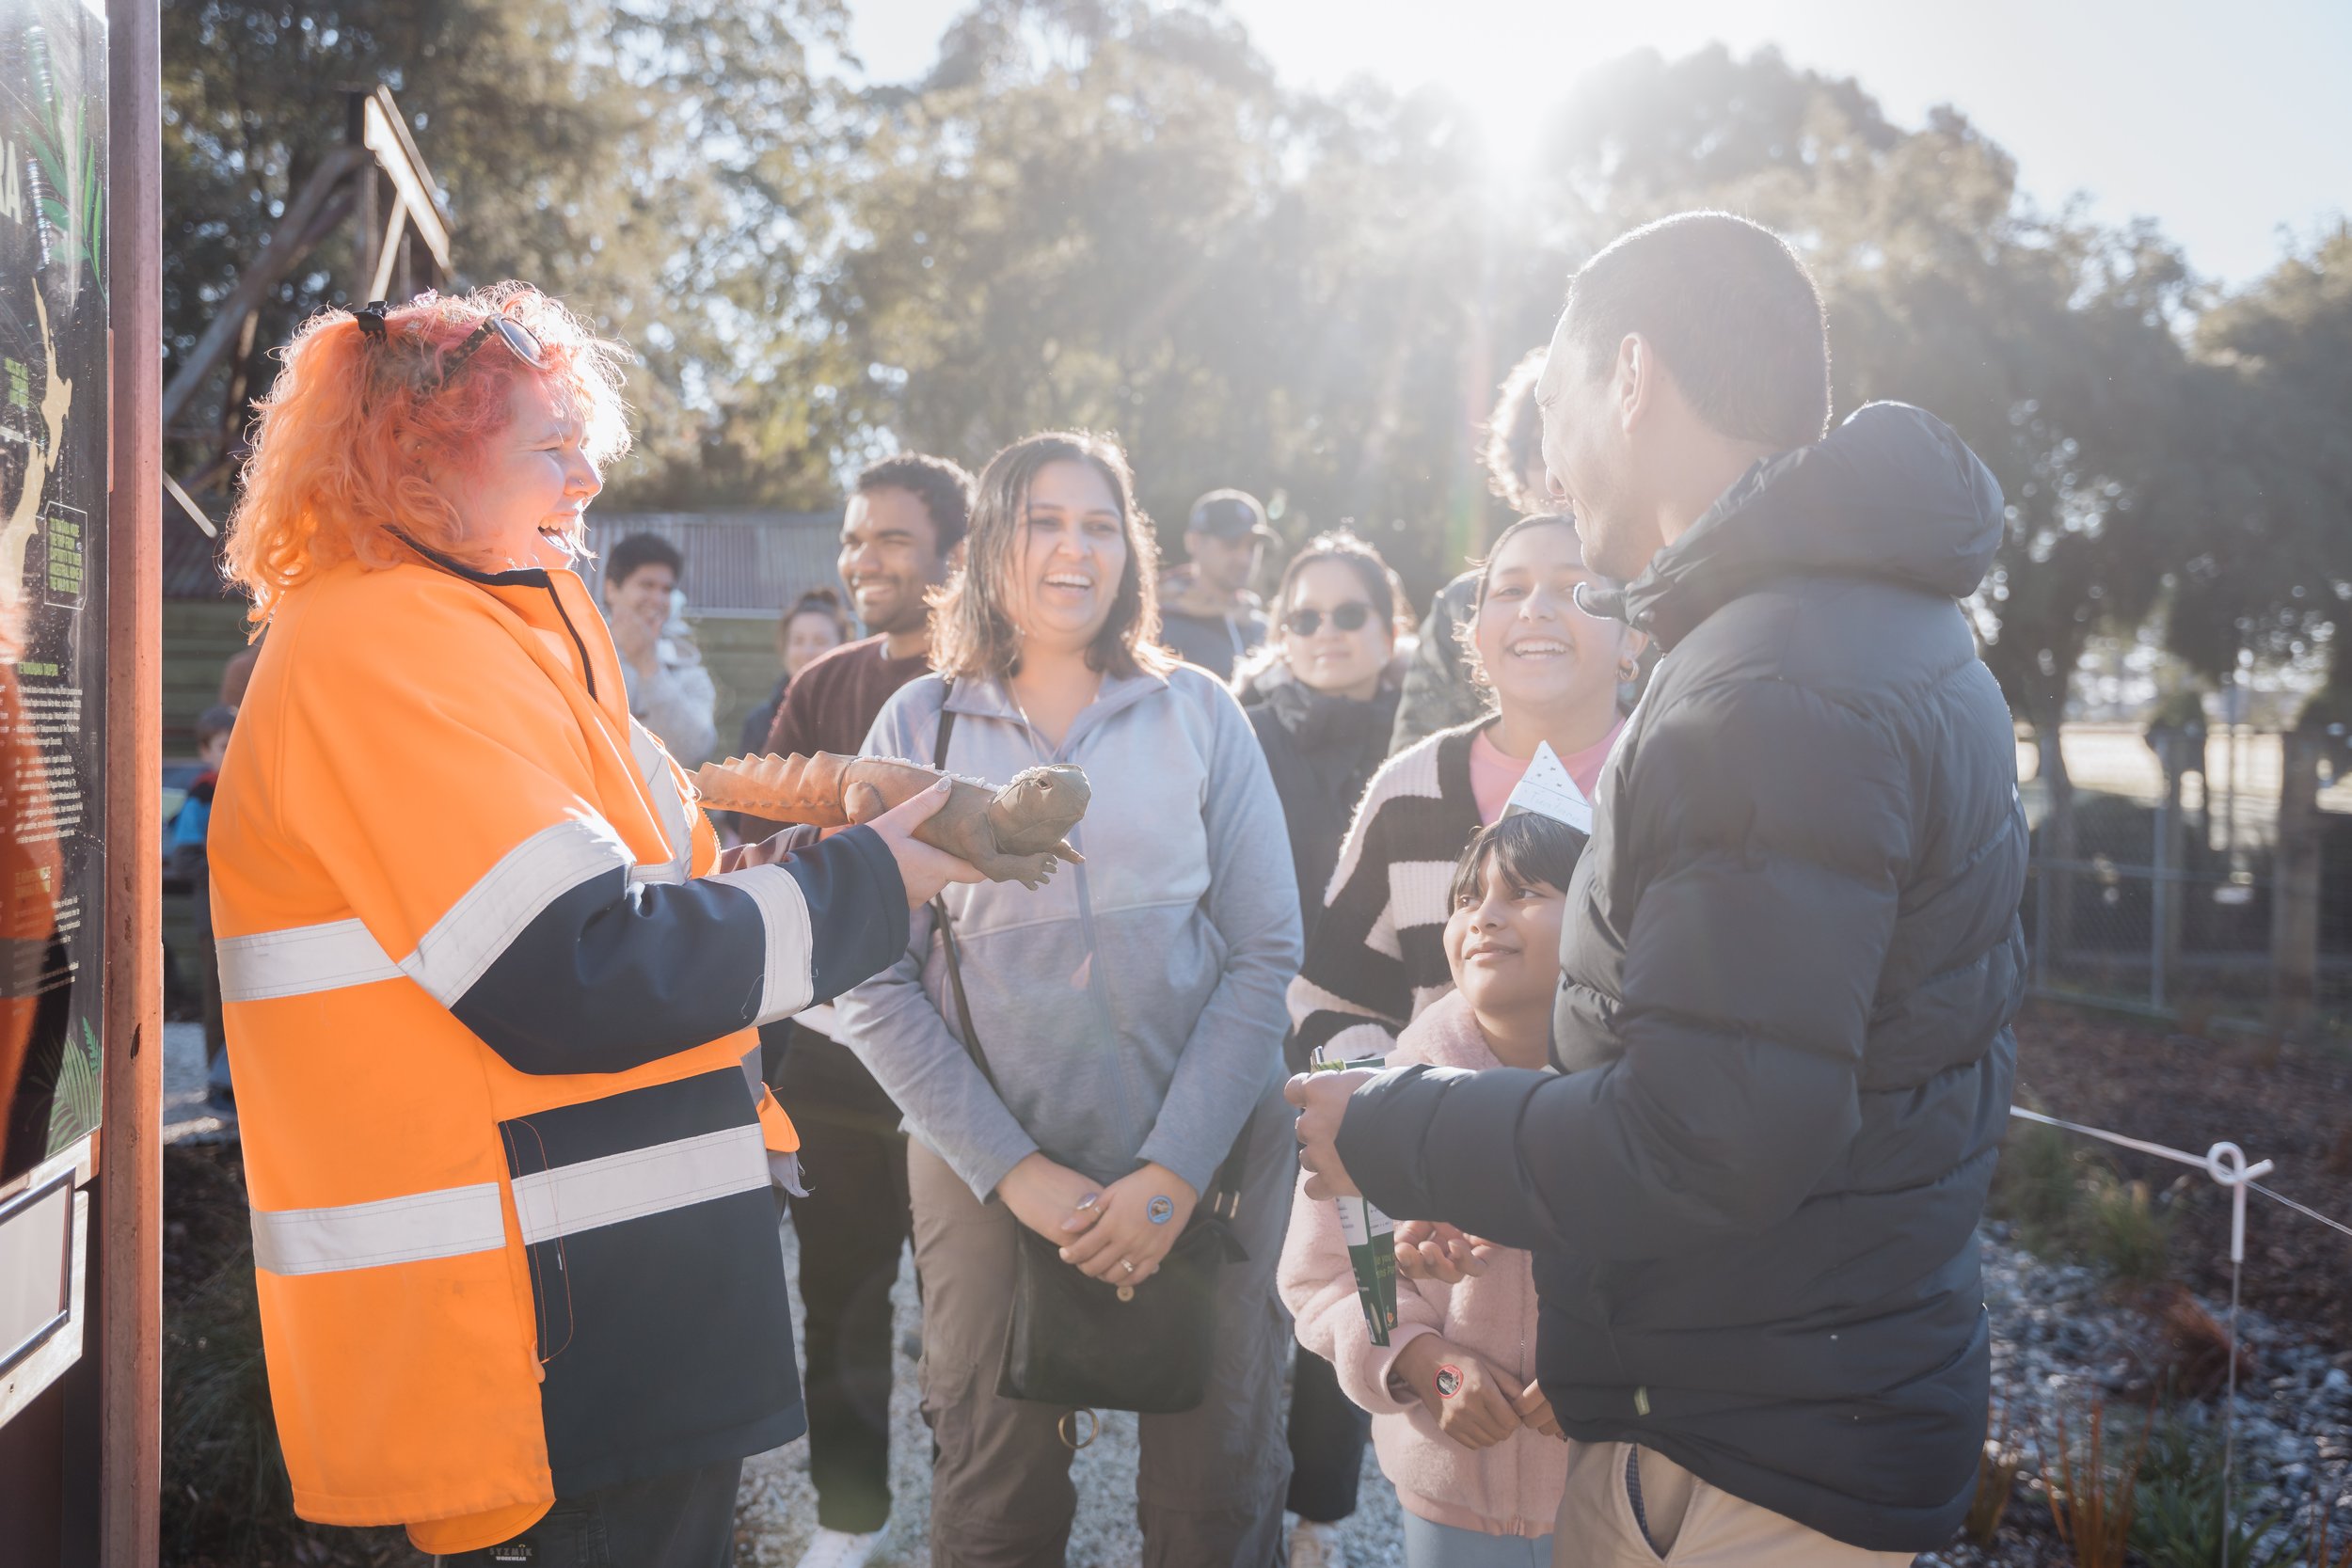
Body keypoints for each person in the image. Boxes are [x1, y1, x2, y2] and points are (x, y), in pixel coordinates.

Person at [1290, 212, 2026, 1566]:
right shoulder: (1867, 628)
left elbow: (1711, 1135)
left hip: (1756, 1456)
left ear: (1629, 377)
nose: (1554, 456)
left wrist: (1395, 1134)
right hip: (1788, 1396)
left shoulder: (1770, 682)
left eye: (1558, 399)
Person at [206, 285, 979, 1566]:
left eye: (584, 439)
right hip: (526, 1353)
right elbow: (577, 967)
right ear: (417, 456)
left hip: (591, 1319)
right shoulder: (382, 645)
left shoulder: (479, 629)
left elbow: (663, 883)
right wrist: (872, 884)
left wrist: (835, 840)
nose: (590, 473)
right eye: (549, 444)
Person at [834, 431, 1303, 1568]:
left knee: (1217, 1497)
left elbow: (1264, 949)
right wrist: (1020, 1173)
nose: (1072, 548)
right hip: (987, 1163)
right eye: (1043, 520)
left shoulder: (1201, 711)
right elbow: (867, 977)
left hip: (1210, 1152)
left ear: (1130, 549)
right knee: (994, 1502)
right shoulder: (914, 730)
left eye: (1099, 523)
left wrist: (1172, 1172)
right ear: (992, 543)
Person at [753, 451, 974, 1568]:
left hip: (967, 1050)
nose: (863, 558)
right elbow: (763, 840)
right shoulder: (825, 683)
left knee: (967, 1307)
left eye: (890, 537)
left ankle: (976, 1517)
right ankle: (852, 1517)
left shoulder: (990, 687)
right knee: (839, 1293)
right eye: (853, 538)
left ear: (951, 554)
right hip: (836, 1050)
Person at [1282, 812, 1585, 1568]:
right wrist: (1425, 1360)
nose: (1482, 915)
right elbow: (1329, 1275)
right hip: (1449, 1496)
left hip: (1616, 1482)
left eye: (1522, 893)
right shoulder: (1379, 1102)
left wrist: (1610, 1357)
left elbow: (1703, 1269)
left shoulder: (1645, 1101)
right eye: (1465, 897)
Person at [1288, 513, 1644, 1069]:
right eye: (1510, 590)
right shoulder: (1407, 791)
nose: (1534, 609)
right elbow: (1334, 1000)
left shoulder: (1674, 778)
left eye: (1573, 588)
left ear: (1634, 634)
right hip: (1422, 1147)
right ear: (1476, 636)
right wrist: (1377, 1103)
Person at [1234, 530, 1404, 1568]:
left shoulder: (1431, 735)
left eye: (1349, 613)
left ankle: (1321, 1515)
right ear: (1278, 631)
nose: (1326, 633)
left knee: (1364, 1268)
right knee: (1255, 1279)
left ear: (1390, 628)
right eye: (1303, 615)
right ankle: (1238, 1488)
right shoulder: (1244, 732)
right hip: (1253, 1034)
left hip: (1375, 1050)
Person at [1391, 351, 1550, 753]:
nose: (1556, 471)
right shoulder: (1462, 606)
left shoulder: (1655, 592)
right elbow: (1417, 768)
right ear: (1517, 467)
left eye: (1574, 440)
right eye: (1538, 451)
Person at [603, 531, 719, 768]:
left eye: (666, 590)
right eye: (647, 585)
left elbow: (694, 752)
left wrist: (649, 666)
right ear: (612, 589)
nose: (658, 599)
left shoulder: (690, 672)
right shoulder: (576, 653)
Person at [171, 704, 238, 1104]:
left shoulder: (257, 788)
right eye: (225, 746)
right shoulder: (202, 796)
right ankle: (218, 1083)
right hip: (210, 919)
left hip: (252, 919)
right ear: (205, 751)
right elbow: (185, 858)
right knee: (217, 1003)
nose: (233, 753)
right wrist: (233, 868)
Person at [1157, 486, 1274, 677]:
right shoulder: (1159, 627)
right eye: (1231, 543)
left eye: (1252, 546)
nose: (1245, 559)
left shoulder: (1264, 631)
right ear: (1193, 542)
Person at [739, 589, 859, 761]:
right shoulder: (759, 723)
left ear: (843, 646)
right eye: (798, 641)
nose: (807, 652)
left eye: (820, 641)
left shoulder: (859, 715)